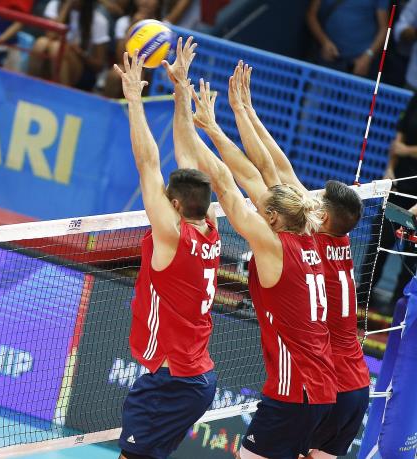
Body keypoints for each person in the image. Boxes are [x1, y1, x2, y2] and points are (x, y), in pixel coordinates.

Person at [165, 39, 337, 458]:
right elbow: (262, 172)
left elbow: (228, 185)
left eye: (263, 210)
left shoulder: (274, 247)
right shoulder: (312, 230)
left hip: (294, 391)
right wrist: (219, 123)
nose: (258, 208)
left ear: (272, 218)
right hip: (322, 387)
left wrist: (185, 101)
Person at [231, 63, 370, 459]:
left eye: (318, 199)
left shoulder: (311, 238)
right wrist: (248, 111)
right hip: (356, 385)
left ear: (321, 216)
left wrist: (241, 111)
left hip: (328, 383)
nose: (311, 197)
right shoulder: (340, 236)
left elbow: (269, 170)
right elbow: (279, 166)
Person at [113, 45, 218, 459]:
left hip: (172, 381)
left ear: (175, 205)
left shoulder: (173, 236)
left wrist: (134, 100)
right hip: (196, 378)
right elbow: (188, 155)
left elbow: (148, 163)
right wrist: (179, 88)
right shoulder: (211, 223)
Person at [359, 93, 417, 314]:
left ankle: (400, 304)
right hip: (398, 187)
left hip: (416, 197)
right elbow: (397, 141)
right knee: (380, 241)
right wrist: (390, 169)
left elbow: (402, 147)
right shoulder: (415, 100)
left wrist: (407, 151)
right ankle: (363, 294)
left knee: (411, 253)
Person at [28, 0, 110, 89]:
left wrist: (80, 53)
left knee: (57, 48)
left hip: (79, 66)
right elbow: (51, 35)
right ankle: (30, 87)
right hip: (51, 58)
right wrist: (66, 7)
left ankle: (63, 92)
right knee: (41, 43)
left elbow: (99, 65)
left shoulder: (99, 20)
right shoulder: (55, 5)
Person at [306, 0, 389, 77]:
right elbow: (311, 15)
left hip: (359, 62)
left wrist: (368, 56)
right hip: (328, 58)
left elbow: (384, 28)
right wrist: (324, 42)